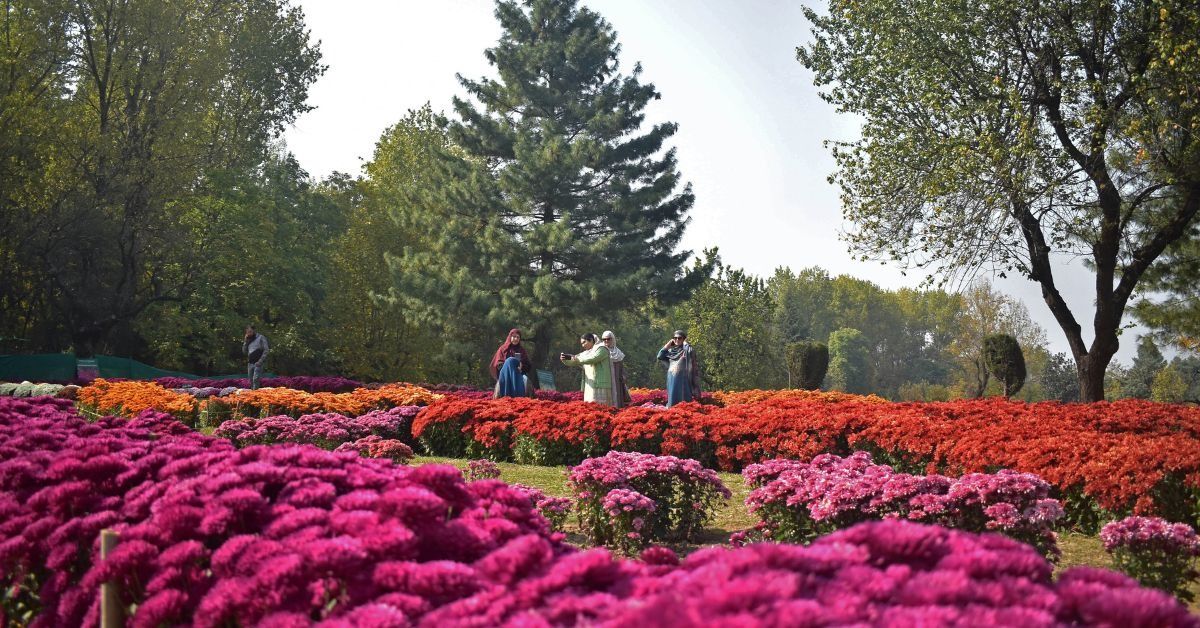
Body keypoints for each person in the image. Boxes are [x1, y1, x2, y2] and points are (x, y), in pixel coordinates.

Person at [560, 333, 615, 406]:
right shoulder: (586, 353)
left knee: (603, 409)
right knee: (590, 409)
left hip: (602, 385)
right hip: (590, 386)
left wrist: (575, 358)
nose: (583, 345)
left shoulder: (602, 349)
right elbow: (575, 361)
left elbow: (592, 359)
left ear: (591, 340)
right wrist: (565, 359)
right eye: (582, 343)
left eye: (584, 342)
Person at [657, 329, 700, 407]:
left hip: (683, 380)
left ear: (683, 339)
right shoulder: (671, 352)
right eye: (675, 338)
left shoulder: (686, 351)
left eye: (679, 338)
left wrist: (685, 343)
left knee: (683, 402)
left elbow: (690, 351)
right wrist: (668, 344)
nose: (677, 339)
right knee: (672, 401)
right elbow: (660, 356)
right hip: (671, 379)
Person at [489, 328, 538, 398]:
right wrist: (509, 365)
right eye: (514, 337)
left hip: (518, 374)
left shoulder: (522, 350)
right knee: (510, 360)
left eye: (518, 337)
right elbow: (498, 364)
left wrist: (522, 366)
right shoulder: (502, 349)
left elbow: (528, 365)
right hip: (505, 374)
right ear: (510, 337)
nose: (516, 339)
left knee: (526, 381)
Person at [602, 330, 632, 408]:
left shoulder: (618, 353)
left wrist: (623, 376)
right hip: (605, 381)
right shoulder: (601, 352)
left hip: (616, 381)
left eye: (608, 339)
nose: (606, 341)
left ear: (613, 339)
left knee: (617, 400)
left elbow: (622, 368)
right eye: (604, 339)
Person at [243, 325, 269, 390]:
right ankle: (253, 395)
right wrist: (245, 342)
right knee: (251, 381)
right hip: (250, 363)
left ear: (253, 330)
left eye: (250, 331)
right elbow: (244, 352)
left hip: (258, 363)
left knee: (256, 379)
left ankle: (255, 394)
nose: (249, 333)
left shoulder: (261, 337)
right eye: (247, 332)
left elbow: (266, 350)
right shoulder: (248, 340)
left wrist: (260, 361)